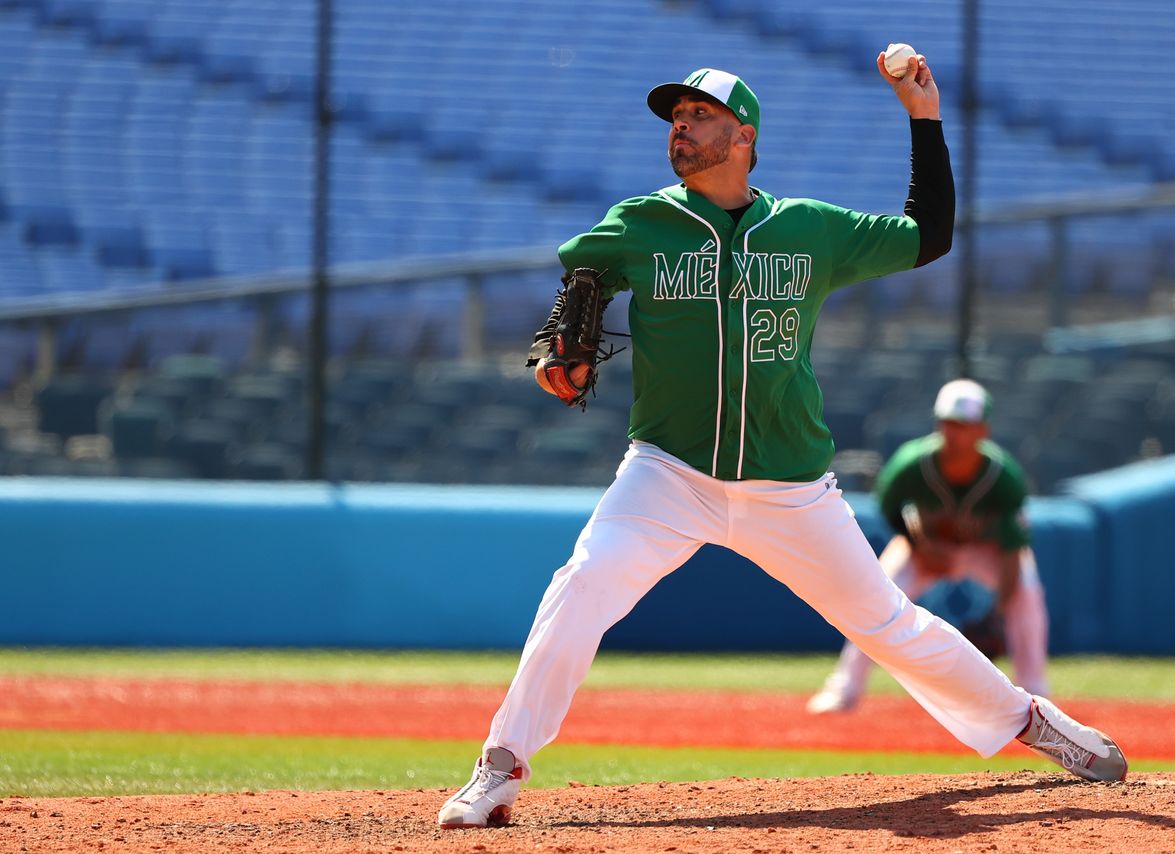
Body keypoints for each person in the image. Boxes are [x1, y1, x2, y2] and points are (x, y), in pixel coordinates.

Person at [439, 54, 1127, 830]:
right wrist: (559, 350)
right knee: (581, 587)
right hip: (669, 473)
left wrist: (923, 118)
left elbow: (928, 236)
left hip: (790, 485)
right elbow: (581, 280)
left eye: (699, 116)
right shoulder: (641, 222)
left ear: (744, 135)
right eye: (676, 119)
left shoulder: (809, 230)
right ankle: (499, 767)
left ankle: (1030, 720)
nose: (682, 128)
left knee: (888, 623)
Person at [807, 378, 1051, 715]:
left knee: (1027, 589)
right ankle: (845, 688)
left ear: (983, 431)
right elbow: (891, 507)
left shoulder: (1003, 476)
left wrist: (997, 613)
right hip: (925, 549)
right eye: (948, 423)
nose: (954, 433)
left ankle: (1038, 695)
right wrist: (919, 544)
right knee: (873, 594)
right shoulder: (913, 464)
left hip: (985, 552)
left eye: (964, 426)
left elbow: (1013, 550)